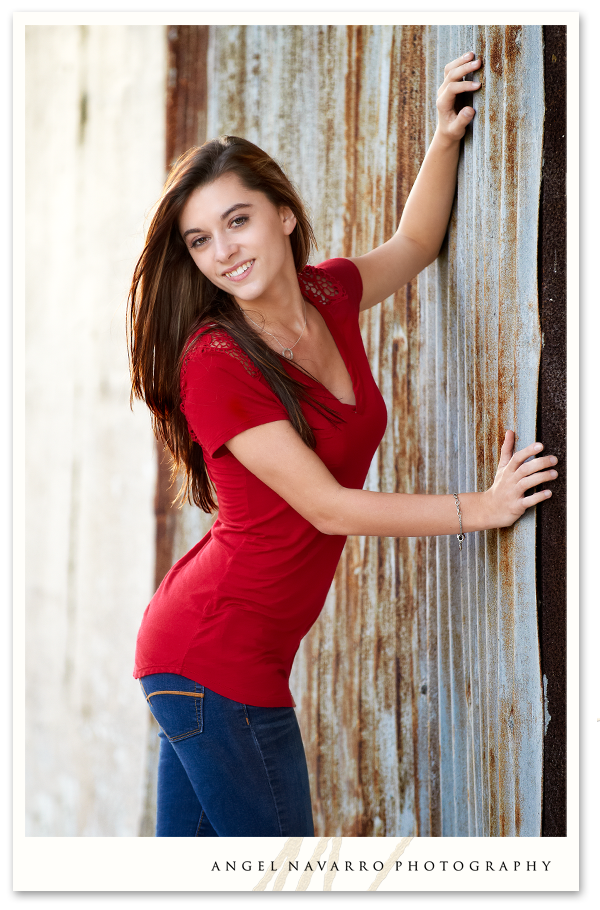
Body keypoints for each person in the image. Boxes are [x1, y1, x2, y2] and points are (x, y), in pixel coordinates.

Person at [127, 52, 558, 837]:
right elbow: (327, 508)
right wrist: (482, 507)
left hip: (209, 658)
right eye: (200, 241)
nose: (223, 251)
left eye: (238, 220)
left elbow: (416, 242)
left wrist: (443, 136)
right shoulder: (216, 362)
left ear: (282, 214)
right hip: (216, 659)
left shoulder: (327, 293)